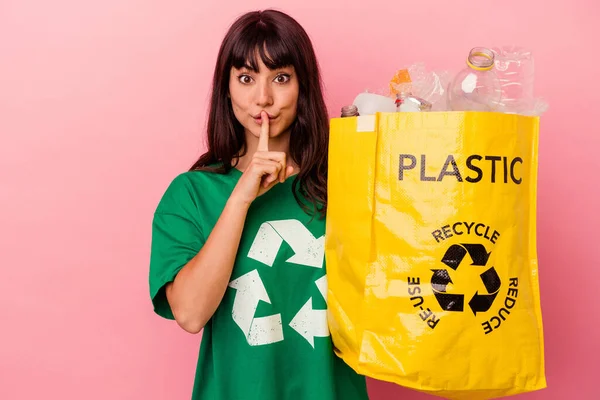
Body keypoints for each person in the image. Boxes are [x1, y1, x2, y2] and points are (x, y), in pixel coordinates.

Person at [148, 9, 369, 400]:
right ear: (227, 88)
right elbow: (190, 314)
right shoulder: (192, 193)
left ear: (303, 87)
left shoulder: (348, 181)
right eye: (246, 78)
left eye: (280, 78)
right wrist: (242, 197)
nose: (262, 98)